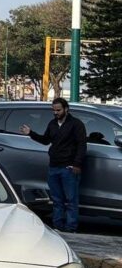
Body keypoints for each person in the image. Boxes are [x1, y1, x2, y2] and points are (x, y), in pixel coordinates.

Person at [20, 97, 87, 233]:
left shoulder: (76, 124)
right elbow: (46, 140)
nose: (55, 113)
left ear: (66, 109)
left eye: (58, 110)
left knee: (71, 200)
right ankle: (58, 226)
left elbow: (82, 145)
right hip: (54, 166)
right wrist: (31, 133)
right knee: (57, 199)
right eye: (54, 110)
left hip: (69, 167)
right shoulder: (52, 124)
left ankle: (71, 228)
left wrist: (76, 164)